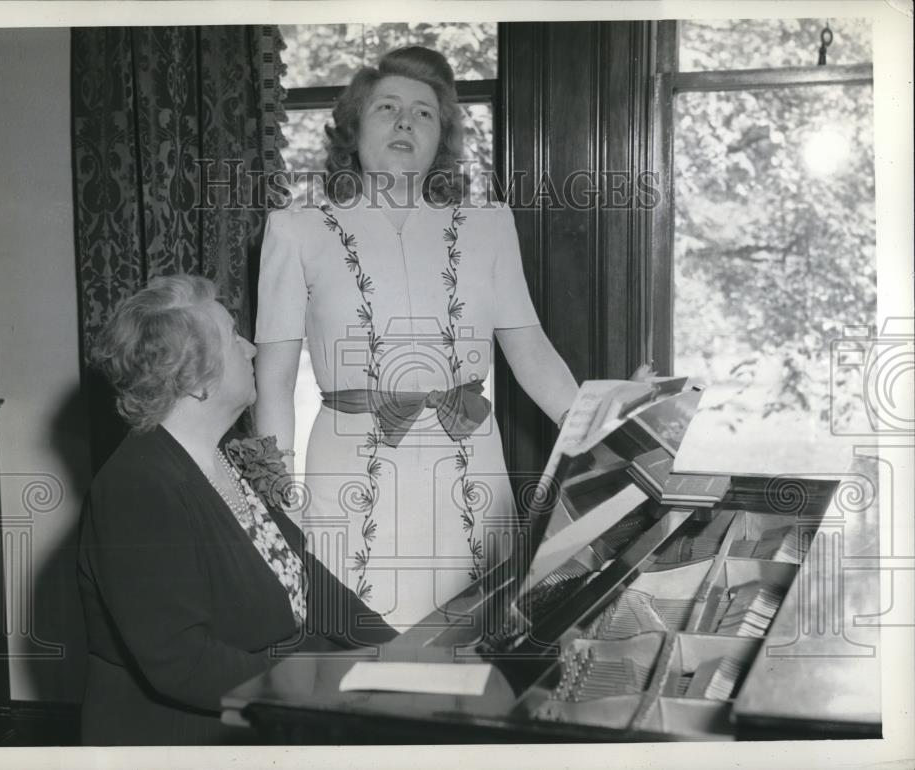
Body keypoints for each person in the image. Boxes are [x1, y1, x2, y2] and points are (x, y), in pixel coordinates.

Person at [254, 46, 578, 629]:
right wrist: (280, 501)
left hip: (471, 466)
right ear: (353, 129)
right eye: (387, 108)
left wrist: (603, 427)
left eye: (424, 113)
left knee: (475, 644)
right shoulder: (295, 230)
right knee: (358, 651)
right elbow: (272, 382)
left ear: (442, 139)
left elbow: (531, 354)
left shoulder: (489, 227)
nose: (406, 122)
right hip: (349, 471)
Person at [76, 274, 396, 746]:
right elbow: (185, 663)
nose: (250, 348)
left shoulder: (226, 458)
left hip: (260, 706)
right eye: (233, 336)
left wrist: (397, 651)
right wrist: (323, 685)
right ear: (197, 380)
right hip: (187, 737)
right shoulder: (136, 488)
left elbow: (306, 579)